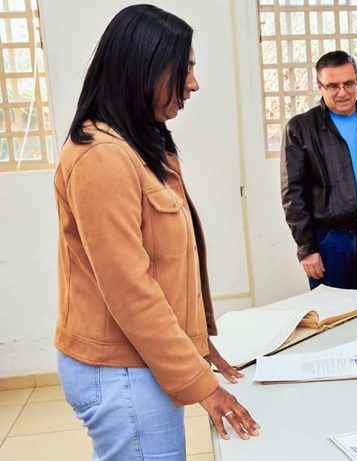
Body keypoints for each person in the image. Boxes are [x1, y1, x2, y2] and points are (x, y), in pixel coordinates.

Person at [53, 5, 259, 459]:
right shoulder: (102, 157)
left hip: (140, 362)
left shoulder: (142, 144)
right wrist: (202, 387)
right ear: (143, 66)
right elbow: (130, 289)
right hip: (122, 370)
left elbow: (167, 266)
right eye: (184, 68)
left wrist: (198, 344)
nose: (193, 83)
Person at [281, 50, 357, 290]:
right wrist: (307, 248)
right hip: (328, 240)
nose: (342, 92)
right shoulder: (300, 128)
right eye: (332, 85)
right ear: (320, 86)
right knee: (332, 317)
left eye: (348, 83)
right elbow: (293, 193)